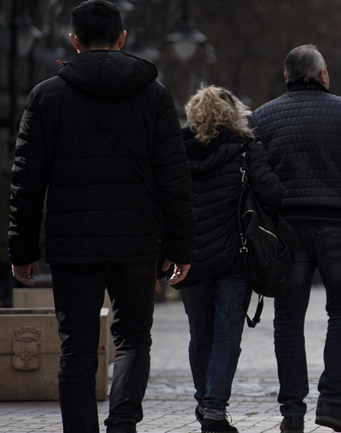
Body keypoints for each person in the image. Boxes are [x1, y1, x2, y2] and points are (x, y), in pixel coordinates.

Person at [8, 2, 196, 433]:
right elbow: (174, 179)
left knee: (76, 348)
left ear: (73, 41)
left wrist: (22, 249)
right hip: (135, 242)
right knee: (132, 337)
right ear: (122, 38)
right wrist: (181, 246)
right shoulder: (154, 95)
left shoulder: (47, 96)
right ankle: (123, 424)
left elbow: (27, 181)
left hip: (73, 244)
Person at [250, 44, 341, 433]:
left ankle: (292, 413)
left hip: (286, 229)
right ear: (323, 75)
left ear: (287, 77)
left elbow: (256, 175)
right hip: (337, 224)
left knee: (288, 319)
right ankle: (332, 402)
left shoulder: (263, 116)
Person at [180, 86, 284, 433]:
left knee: (200, 335)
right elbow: (272, 193)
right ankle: (213, 411)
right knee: (226, 335)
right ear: (233, 113)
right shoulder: (246, 150)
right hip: (234, 257)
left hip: (190, 258)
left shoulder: (176, 152)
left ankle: (203, 399)